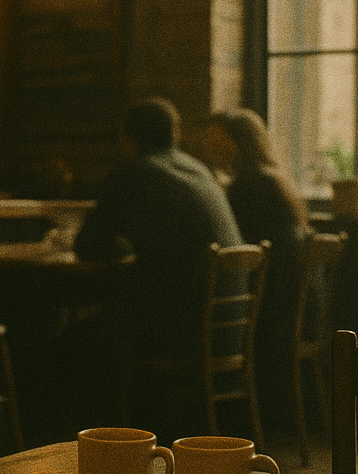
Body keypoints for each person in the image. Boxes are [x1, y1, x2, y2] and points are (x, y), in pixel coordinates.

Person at [72, 98, 243, 433]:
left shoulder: (133, 171)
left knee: (75, 336)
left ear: (127, 137)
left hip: (179, 334)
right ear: (174, 134)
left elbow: (88, 246)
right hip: (227, 329)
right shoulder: (199, 170)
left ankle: (98, 443)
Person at [201, 108, 311, 435]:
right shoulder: (274, 179)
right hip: (288, 305)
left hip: (265, 308)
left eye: (216, 140)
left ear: (237, 143)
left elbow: (230, 243)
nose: (209, 148)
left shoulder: (248, 186)